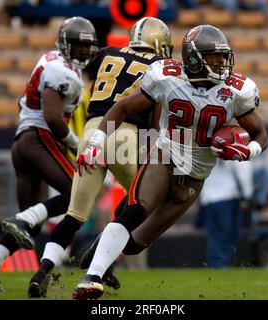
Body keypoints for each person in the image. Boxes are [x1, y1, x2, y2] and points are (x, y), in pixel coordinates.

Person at [72, 24, 268, 300]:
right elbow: (123, 107)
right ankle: (91, 279)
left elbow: (260, 133)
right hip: (166, 156)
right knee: (134, 211)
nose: (222, 63)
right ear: (194, 58)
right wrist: (95, 143)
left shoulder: (236, 91)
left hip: (195, 175)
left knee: (135, 244)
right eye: (214, 57)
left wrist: (249, 152)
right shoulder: (167, 76)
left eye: (223, 57)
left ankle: (101, 247)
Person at [24, 17, 173, 298]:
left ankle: (42, 272)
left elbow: (85, 77)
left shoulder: (106, 54)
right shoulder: (160, 66)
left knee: (75, 214)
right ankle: (99, 262)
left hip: (93, 130)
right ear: (159, 43)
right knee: (141, 203)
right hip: (125, 134)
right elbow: (154, 119)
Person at [0, 17, 98, 292]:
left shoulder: (51, 60)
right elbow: (53, 117)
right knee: (75, 193)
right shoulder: (61, 70)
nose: (83, 51)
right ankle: (24, 218)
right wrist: (76, 144)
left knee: (31, 226)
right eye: (78, 46)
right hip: (39, 138)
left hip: (23, 141)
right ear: (65, 44)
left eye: (87, 47)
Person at [196, 159, 253, 268]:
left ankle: (217, 264)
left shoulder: (204, 147)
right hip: (228, 197)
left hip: (209, 199)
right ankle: (222, 264)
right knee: (227, 234)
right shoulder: (233, 145)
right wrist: (246, 196)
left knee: (214, 235)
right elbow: (243, 170)